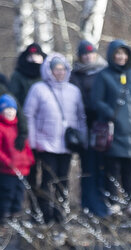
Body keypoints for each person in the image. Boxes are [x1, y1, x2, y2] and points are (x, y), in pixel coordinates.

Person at [24, 54, 87, 224]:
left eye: (62, 69)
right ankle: (45, 214)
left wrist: (82, 137)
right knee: (47, 179)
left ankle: (60, 213)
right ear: (49, 70)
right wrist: (33, 141)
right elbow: (29, 115)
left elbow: (81, 116)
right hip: (45, 144)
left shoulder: (73, 91)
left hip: (67, 145)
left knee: (63, 179)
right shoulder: (38, 89)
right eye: (56, 69)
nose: (59, 72)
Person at [91, 40, 131, 217]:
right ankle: (114, 204)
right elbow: (96, 101)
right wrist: (111, 114)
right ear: (111, 55)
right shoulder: (103, 76)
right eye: (117, 53)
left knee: (130, 169)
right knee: (113, 169)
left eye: (124, 54)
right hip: (114, 131)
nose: (121, 57)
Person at [70, 40, 108, 217]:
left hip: (102, 127)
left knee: (103, 166)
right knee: (88, 167)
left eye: (91, 52)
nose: (88, 56)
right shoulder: (74, 75)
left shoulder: (105, 71)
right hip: (84, 126)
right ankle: (87, 203)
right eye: (84, 53)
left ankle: (102, 203)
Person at [11, 43, 45, 212]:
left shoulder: (46, 75)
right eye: (30, 57)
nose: (33, 60)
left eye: (37, 56)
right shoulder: (18, 76)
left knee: (46, 171)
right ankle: (30, 207)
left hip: (46, 131)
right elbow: (14, 102)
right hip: (25, 130)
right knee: (29, 171)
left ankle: (44, 206)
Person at [0, 95, 34, 224]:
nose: (10, 112)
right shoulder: (1, 128)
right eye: (6, 109)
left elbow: (26, 146)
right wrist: (7, 162)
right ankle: (3, 220)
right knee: (6, 195)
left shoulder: (18, 128)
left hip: (22, 169)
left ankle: (15, 218)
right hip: (7, 170)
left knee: (19, 195)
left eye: (12, 109)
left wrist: (30, 159)